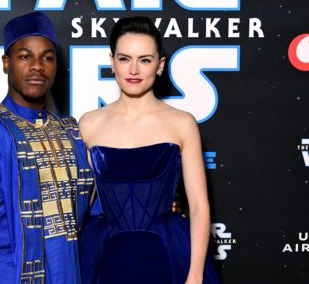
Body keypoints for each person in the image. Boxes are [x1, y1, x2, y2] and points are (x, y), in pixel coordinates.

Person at [0, 12, 94, 284]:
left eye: (47, 58)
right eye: (25, 56)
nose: (37, 66)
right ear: (6, 63)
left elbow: (91, 213)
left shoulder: (71, 132)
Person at [78, 16, 220, 284]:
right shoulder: (89, 124)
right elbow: (80, 206)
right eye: (124, 58)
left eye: (144, 59)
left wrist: (195, 274)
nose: (133, 69)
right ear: (112, 61)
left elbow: (200, 206)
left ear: (160, 65)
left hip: (169, 254)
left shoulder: (182, 123)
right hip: (105, 255)